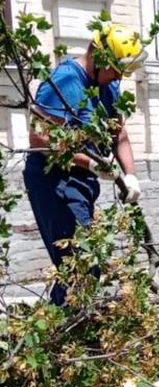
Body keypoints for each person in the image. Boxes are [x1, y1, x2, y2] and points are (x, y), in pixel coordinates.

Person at [23, 23, 147, 305]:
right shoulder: (66, 81)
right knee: (78, 260)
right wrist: (89, 162)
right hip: (54, 180)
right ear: (100, 58)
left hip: (83, 180)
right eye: (115, 70)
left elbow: (120, 136)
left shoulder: (108, 87)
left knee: (85, 259)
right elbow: (40, 138)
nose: (118, 77)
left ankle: (71, 325)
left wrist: (131, 176)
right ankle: (67, 332)